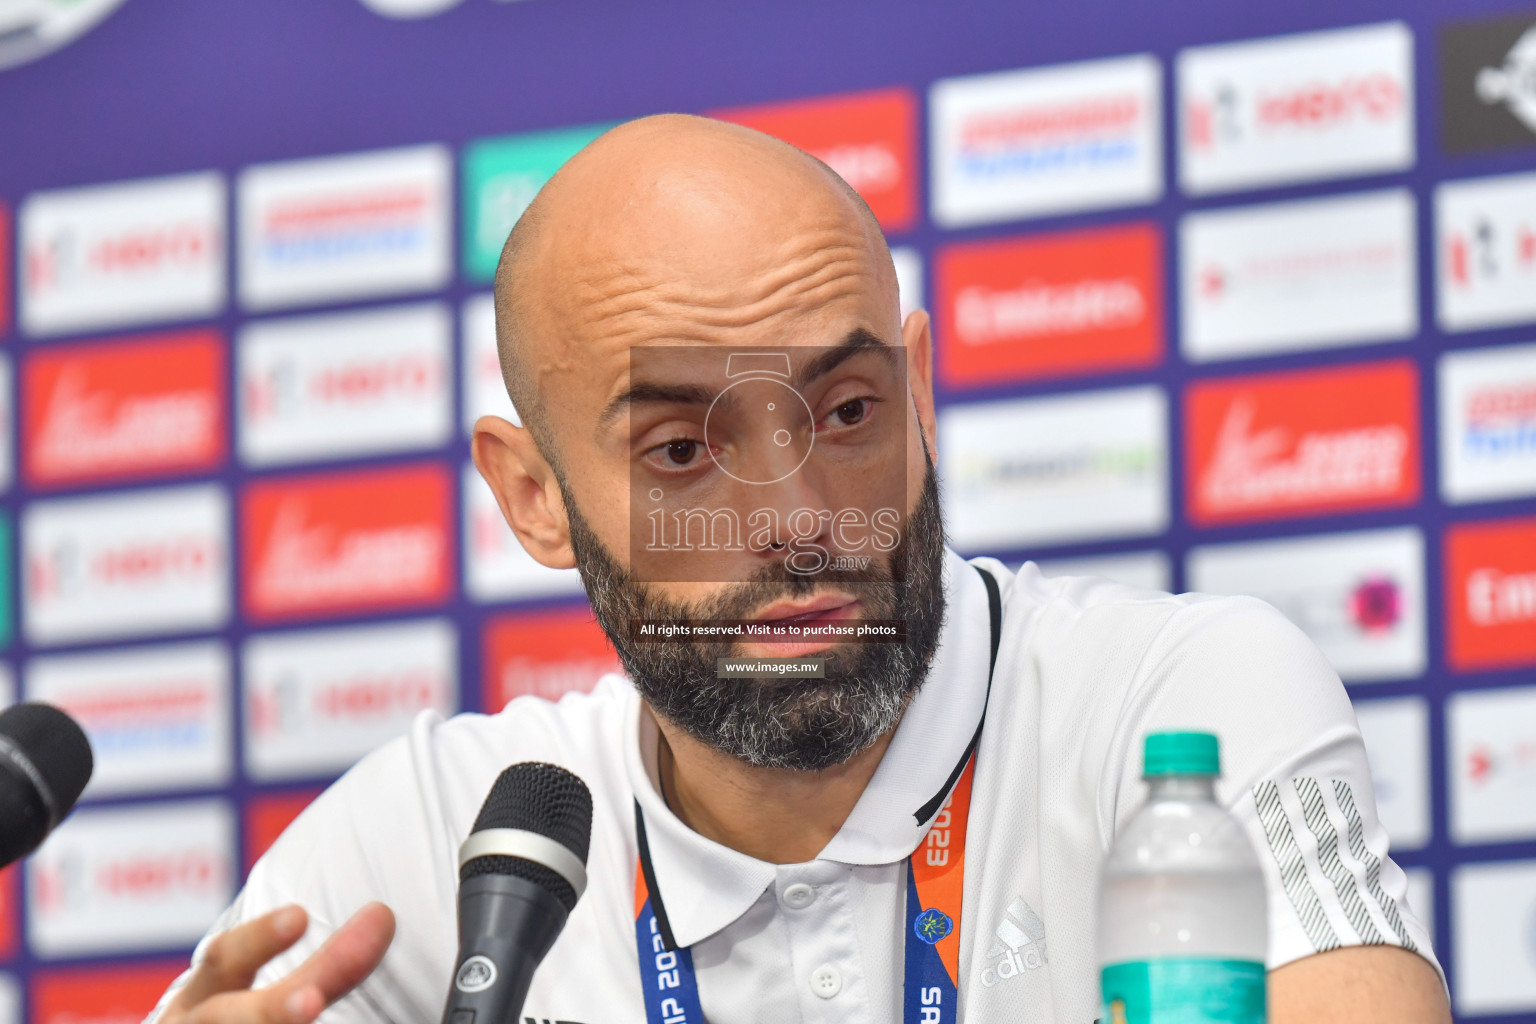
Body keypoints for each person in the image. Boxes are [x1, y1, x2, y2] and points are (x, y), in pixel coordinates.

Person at [149, 115, 1450, 1024]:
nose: (798, 519)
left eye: (843, 415)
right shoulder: (443, 838)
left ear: (922, 392)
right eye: (680, 449)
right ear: (532, 498)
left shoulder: (1178, 709)